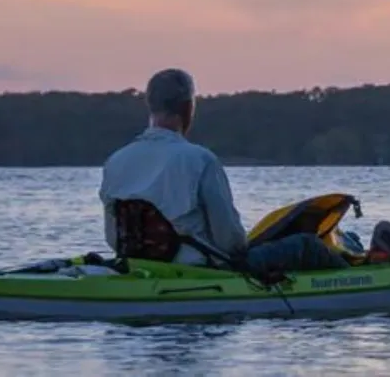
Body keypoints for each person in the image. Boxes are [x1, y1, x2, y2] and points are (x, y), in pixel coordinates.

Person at [99, 68, 356, 274]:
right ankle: (360, 275)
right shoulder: (199, 159)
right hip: (207, 270)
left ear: (150, 106)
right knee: (306, 244)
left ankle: (352, 246)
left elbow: (114, 240)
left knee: (342, 238)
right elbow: (230, 243)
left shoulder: (115, 161)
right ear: (189, 108)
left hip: (142, 268)